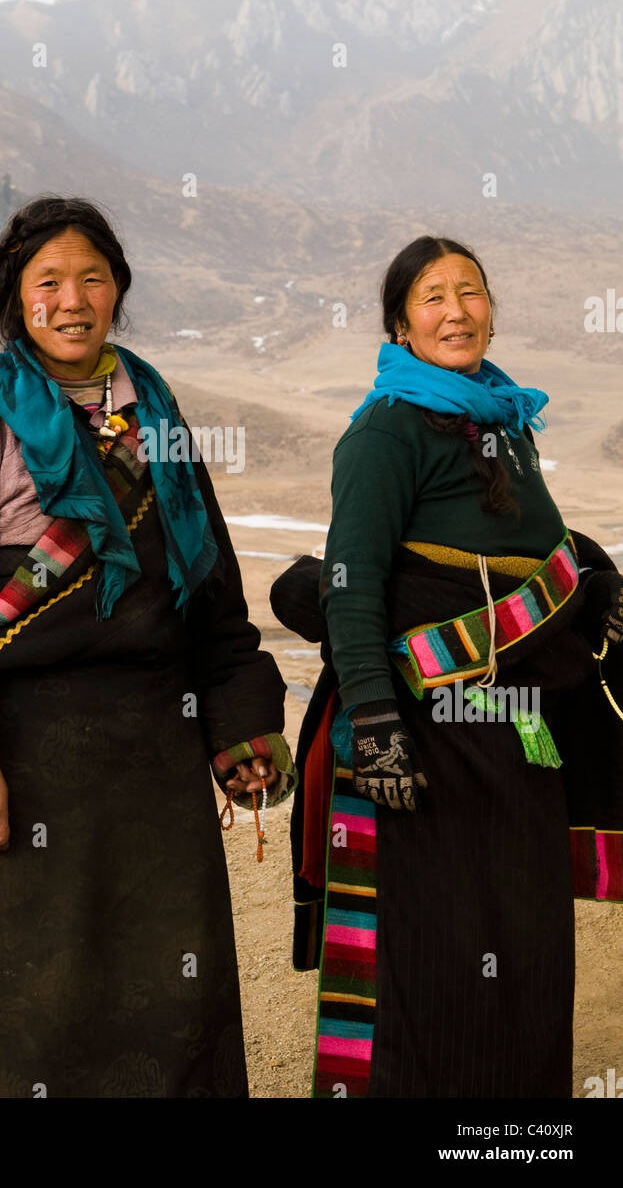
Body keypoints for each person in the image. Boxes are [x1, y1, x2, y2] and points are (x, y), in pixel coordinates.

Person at [0, 195, 295, 1098]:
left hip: (146, 771)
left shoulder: (157, 410)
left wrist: (240, 725)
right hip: (12, 760)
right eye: (47, 282)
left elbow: (210, 595)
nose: (72, 299)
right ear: (15, 302)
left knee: (161, 1010)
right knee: (9, 1017)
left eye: (91, 278)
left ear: (118, 290)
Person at [270, 235, 623, 1099]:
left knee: (529, 954)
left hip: (517, 738)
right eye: (432, 296)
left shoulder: (504, 423)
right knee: (440, 963)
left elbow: (526, 548)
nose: (456, 310)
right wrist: (378, 722)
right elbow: (350, 586)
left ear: (492, 311)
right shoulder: (383, 435)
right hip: (428, 739)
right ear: (400, 323)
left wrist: (593, 575)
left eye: (470, 291)